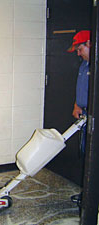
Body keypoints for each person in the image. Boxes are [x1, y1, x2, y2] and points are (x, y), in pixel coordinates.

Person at [67, 30, 91, 208]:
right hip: (84, 117)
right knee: (85, 154)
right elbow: (80, 87)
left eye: (79, 48)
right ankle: (88, 193)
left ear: (89, 43)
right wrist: (77, 104)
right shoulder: (84, 65)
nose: (78, 53)